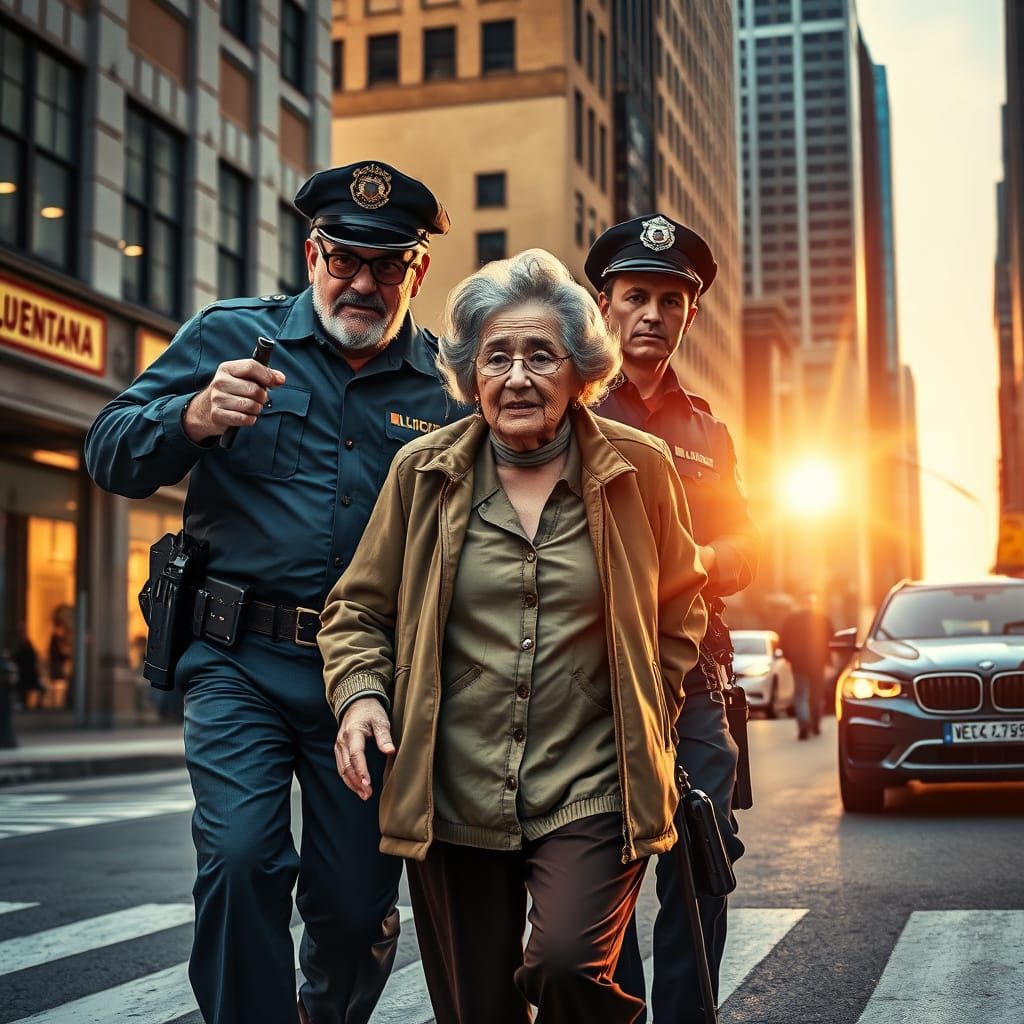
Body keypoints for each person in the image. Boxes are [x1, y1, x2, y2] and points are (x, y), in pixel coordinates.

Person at [84, 161, 467, 1024]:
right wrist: (190, 416)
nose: (361, 282)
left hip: (369, 685)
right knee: (241, 861)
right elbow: (107, 450)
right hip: (238, 661)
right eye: (343, 259)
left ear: (418, 271)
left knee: (350, 905)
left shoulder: (449, 386)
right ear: (311, 252)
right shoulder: (230, 335)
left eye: (386, 265)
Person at [319, 249, 708, 1024]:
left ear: (580, 373)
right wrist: (362, 697)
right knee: (477, 1009)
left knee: (566, 963)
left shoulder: (640, 468)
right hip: (454, 786)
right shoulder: (420, 473)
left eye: (541, 355)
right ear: (470, 375)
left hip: (592, 779)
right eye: (496, 356)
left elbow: (680, 603)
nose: (518, 377)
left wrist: (651, 707)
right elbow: (358, 609)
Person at [588, 215, 760, 1023]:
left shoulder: (709, 430)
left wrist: (693, 561)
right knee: (604, 864)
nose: (651, 313)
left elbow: (746, 546)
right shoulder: (568, 404)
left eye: (668, 300)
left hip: (695, 674)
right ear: (604, 303)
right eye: (634, 296)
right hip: (593, 676)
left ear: (689, 315)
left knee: (699, 856)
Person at [779, 592, 835, 739]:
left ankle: (804, 725)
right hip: (818, 663)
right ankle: (815, 725)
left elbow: (782, 640)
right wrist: (828, 660)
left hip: (798, 664)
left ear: (801, 604)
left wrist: (788, 657)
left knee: (800, 696)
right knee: (816, 696)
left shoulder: (792, 620)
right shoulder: (822, 619)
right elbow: (831, 641)